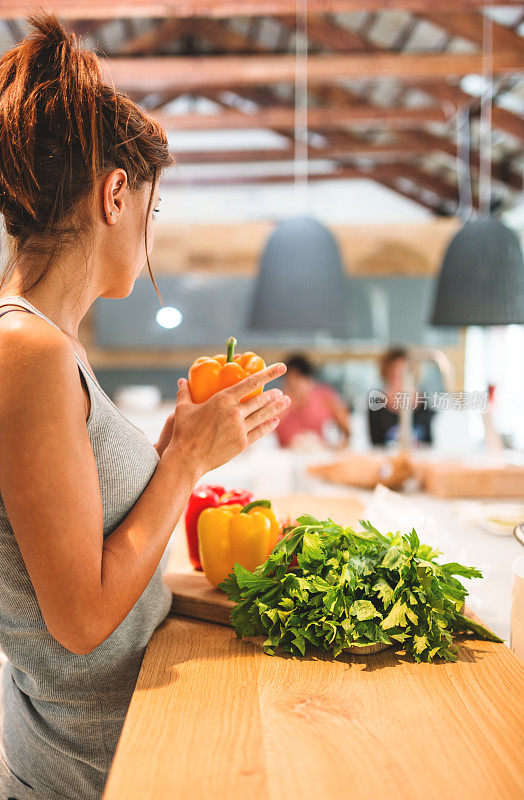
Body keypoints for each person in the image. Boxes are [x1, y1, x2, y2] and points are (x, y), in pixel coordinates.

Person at [0, 15, 289, 800]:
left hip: (119, 737)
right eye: (153, 213)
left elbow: (81, 526)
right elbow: (80, 619)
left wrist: (171, 453)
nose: (149, 235)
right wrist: (187, 464)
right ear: (115, 193)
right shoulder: (27, 352)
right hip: (91, 765)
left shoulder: (48, 346)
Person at [276, 354, 351, 449]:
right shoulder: (280, 401)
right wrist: (288, 404)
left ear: (308, 379)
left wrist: (341, 444)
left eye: (298, 378)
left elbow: (346, 427)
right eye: (289, 381)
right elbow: (266, 429)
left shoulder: (323, 396)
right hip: (286, 454)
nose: (293, 384)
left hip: (319, 453)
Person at [368, 346, 434, 446]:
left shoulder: (422, 401)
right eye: (394, 375)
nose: (399, 381)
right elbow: (376, 445)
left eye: (403, 375)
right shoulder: (377, 402)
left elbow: (429, 443)